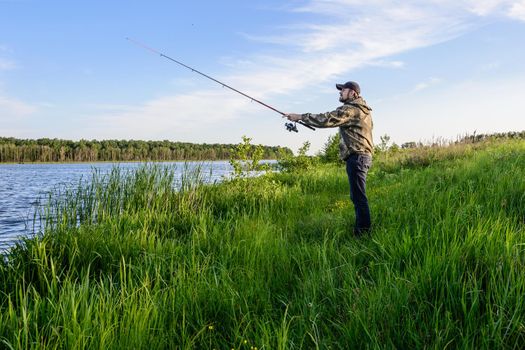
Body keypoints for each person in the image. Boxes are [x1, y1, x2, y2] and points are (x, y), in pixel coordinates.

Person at [285, 81, 374, 236]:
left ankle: (363, 233)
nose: (340, 93)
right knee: (357, 196)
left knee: (359, 197)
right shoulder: (364, 111)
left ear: (353, 93)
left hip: (357, 157)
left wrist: (300, 117)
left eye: (343, 90)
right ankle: (362, 229)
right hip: (362, 156)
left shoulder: (351, 109)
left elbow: (327, 118)